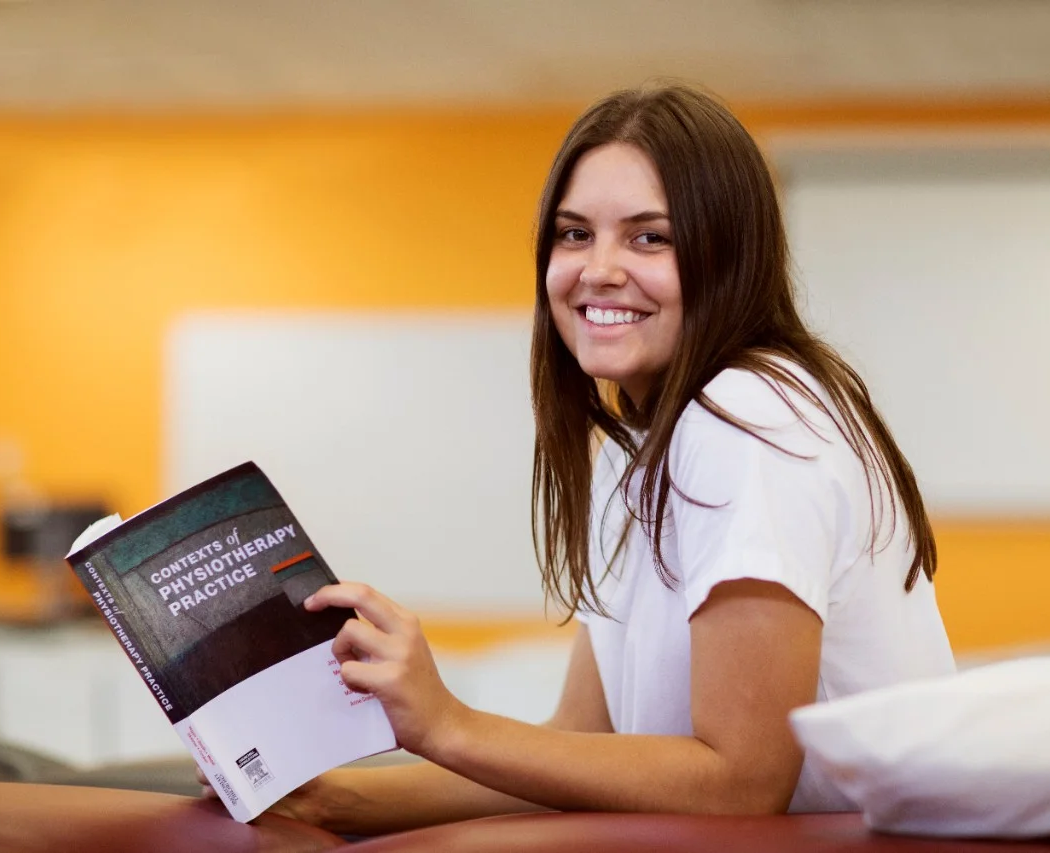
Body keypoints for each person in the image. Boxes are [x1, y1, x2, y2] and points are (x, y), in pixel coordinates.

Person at [201, 82, 955, 834]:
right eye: (574, 234)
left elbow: (743, 780)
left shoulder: (748, 414)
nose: (598, 269)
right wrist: (331, 800)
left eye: (649, 237)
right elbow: (582, 744)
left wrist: (446, 722)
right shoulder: (635, 453)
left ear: (729, 256)